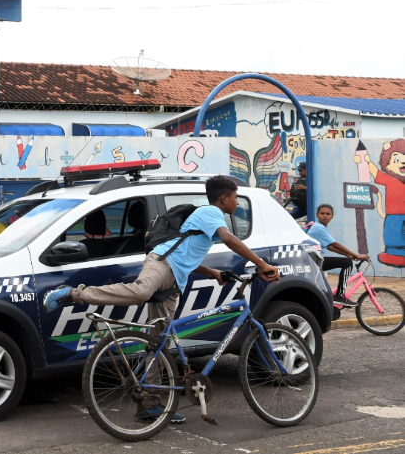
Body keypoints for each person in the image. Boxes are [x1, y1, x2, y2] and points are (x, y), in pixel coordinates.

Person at [43, 176, 279, 424]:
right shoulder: (212, 212)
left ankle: (150, 405)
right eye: (234, 198)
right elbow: (229, 240)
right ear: (224, 198)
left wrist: (212, 273)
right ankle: (73, 294)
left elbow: (186, 254)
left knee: (159, 345)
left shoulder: (207, 220)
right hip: (161, 263)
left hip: (174, 280)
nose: (236, 203)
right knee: (140, 292)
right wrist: (262, 264)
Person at [307, 204, 366, 305]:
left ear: (332, 216)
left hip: (313, 260)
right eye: (322, 213)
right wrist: (356, 256)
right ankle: (340, 296)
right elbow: (335, 244)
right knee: (346, 263)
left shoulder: (319, 227)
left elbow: (329, 246)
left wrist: (347, 254)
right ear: (317, 215)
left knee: (345, 261)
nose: (325, 216)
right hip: (314, 261)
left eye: (327, 214)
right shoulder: (319, 228)